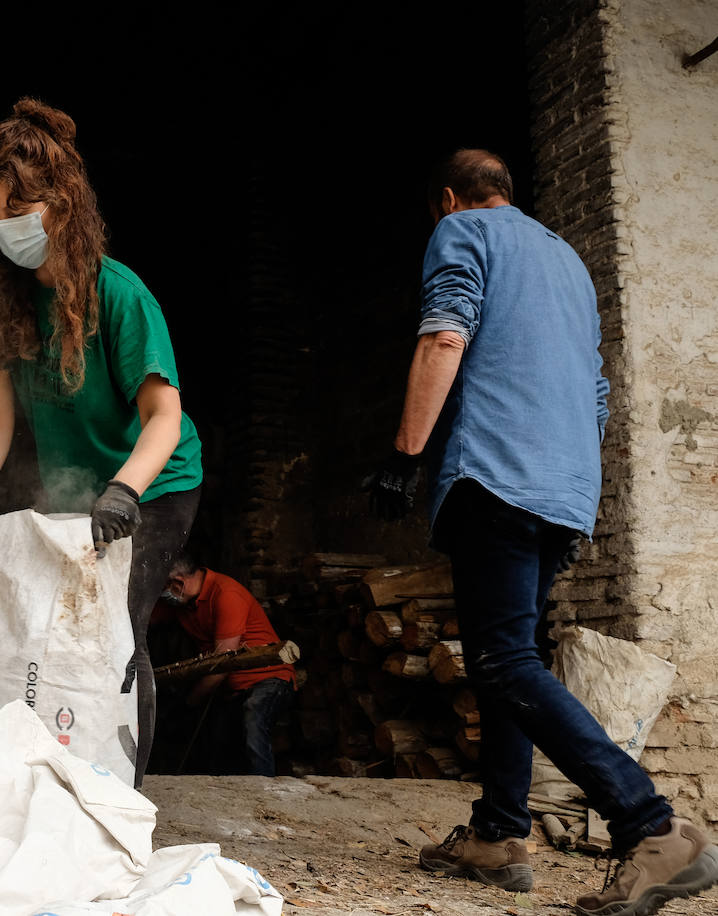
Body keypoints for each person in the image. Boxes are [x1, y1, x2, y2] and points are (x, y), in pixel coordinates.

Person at [365, 149, 717, 914]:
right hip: (565, 490)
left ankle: (650, 826)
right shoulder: (567, 262)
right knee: (508, 659)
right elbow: (596, 393)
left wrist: (404, 456)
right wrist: (571, 480)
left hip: (496, 473)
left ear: (451, 199)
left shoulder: (463, 232)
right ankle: (497, 833)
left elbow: (445, 335)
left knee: (501, 660)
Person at [0, 98, 204, 788]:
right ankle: (49, 781)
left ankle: (123, 797)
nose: (6, 227)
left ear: (60, 205)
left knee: (115, 631)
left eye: (19, 209)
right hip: (74, 488)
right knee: (49, 630)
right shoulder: (1, 300)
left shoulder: (120, 296)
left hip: (156, 481)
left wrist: (125, 490)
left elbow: (164, 417)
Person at [155, 552, 294, 776]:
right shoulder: (182, 601)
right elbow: (147, 618)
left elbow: (222, 664)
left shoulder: (226, 594)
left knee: (253, 718)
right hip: (230, 686)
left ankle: (264, 790)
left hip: (267, 677)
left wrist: (190, 701)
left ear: (178, 582)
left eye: (163, 588)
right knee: (218, 743)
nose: (163, 595)